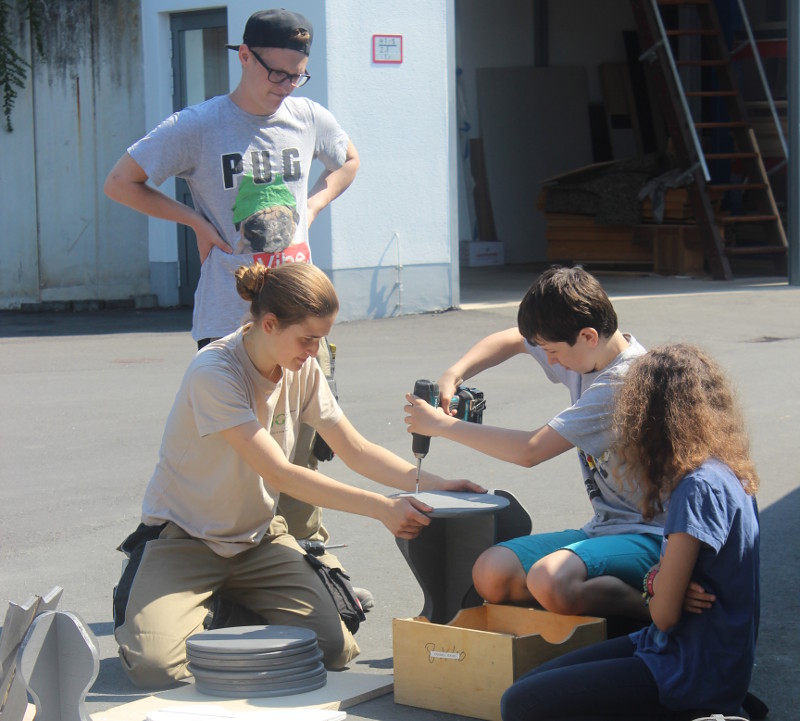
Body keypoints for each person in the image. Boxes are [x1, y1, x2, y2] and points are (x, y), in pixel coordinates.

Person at [113, 262, 484, 689]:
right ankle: (182, 604)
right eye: (307, 339)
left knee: (332, 650)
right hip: (186, 538)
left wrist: (436, 485)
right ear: (268, 324)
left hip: (257, 538)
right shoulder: (214, 372)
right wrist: (383, 509)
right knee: (156, 668)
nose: (315, 351)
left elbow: (357, 450)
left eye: (321, 340)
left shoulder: (301, 367)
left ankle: (227, 606)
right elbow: (279, 473)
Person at [104, 8, 360, 594]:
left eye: (298, 75)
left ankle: (304, 575)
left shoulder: (308, 117)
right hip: (229, 318)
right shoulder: (200, 126)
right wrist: (192, 218)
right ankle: (209, 574)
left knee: (300, 455)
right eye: (277, 73)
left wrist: (314, 206)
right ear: (243, 55)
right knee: (238, 465)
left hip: (298, 320)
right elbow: (121, 181)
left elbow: (348, 160)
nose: (287, 86)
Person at [500, 343, 760, 721]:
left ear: (649, 418)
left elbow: (664, 614)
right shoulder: (728, 470)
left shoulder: (695, 487)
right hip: (691, 652)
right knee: (529, 684)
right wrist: (663, 581)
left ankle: (707, 715)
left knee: (520, 704)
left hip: (687, 668)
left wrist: (657, 585)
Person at [404, 266, 663, 621]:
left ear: (588, 335)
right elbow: (513, 339)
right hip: (603, 527)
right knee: (491, 574)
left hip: (651, 538)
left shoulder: (623, 383)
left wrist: (441, 425)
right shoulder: (586, 352)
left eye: (552, 352)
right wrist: (455, 373)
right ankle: (581, 611)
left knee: (549, 579)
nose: (550, 361)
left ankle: (659, 606)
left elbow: (530, 451)